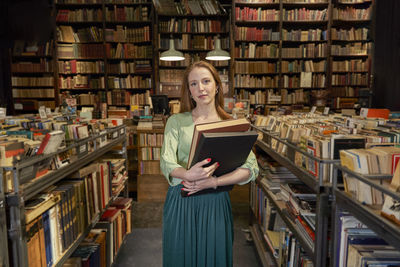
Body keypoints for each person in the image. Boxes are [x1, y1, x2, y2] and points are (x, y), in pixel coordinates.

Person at [160, 60, 259, 267]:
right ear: (188, 90)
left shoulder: (232, 124)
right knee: (180, 258)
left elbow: (250, 169)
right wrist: (187, 174)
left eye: (206, 81)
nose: (200, 88)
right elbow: (166, 162)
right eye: (193, 84)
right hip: (182, 200)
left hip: (215, 201)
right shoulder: (176, 122)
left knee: (214, 258)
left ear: (217, 86)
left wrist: (213, 182)